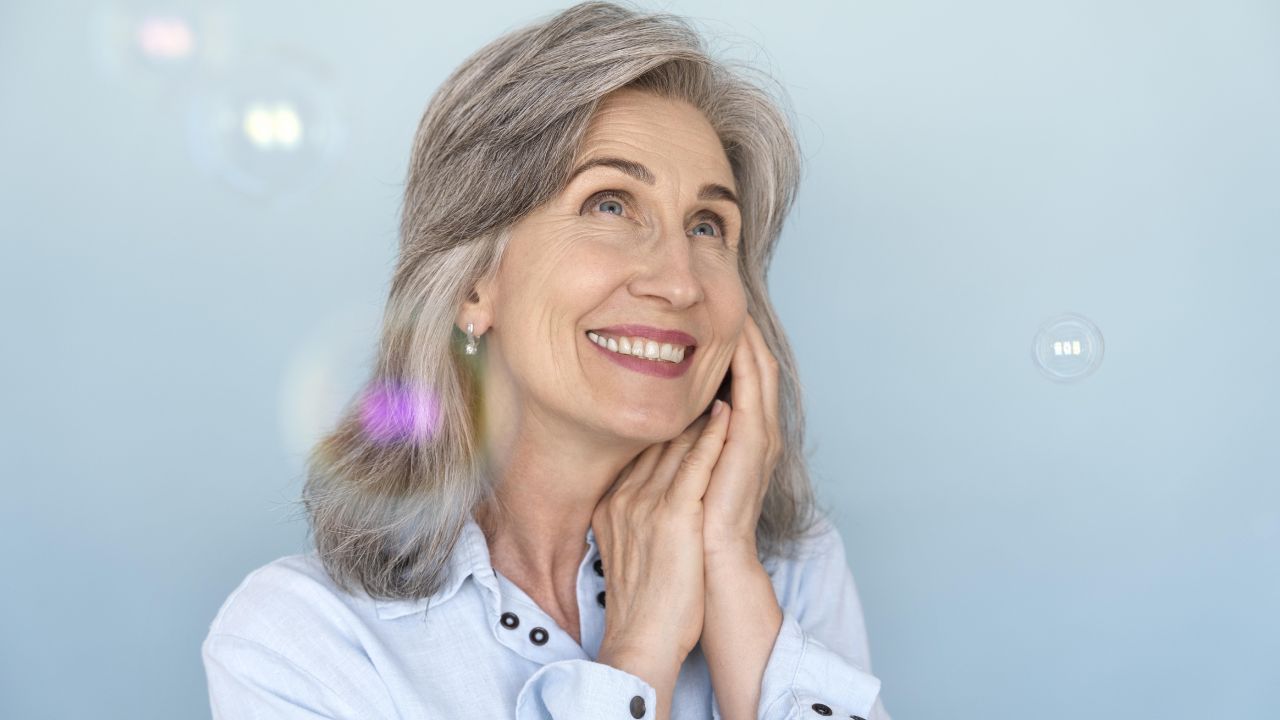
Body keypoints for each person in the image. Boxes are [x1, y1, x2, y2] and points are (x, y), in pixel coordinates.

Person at [201, 2, 891, 718]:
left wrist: (733, 578)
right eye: (611, 206)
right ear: (475, 281)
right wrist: (640, 651)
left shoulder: (792, 570)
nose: (681, 281)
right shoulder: (300, 641)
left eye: (708, 224)